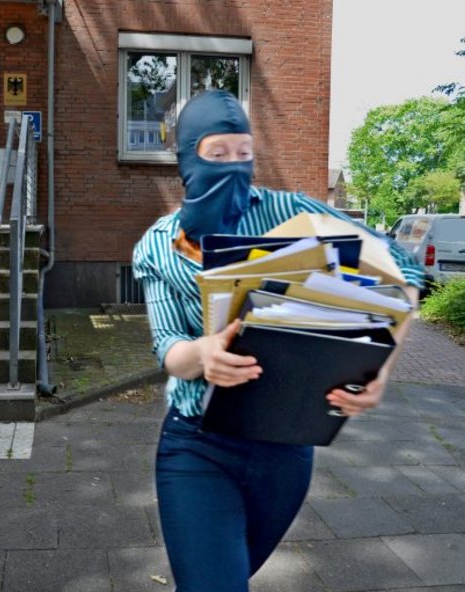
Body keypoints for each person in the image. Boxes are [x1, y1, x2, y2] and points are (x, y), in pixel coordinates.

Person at [132, 90, 424, 591]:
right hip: (197, 443)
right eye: (217, 153)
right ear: (185, 159)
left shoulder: (291, 212)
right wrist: (203, 353)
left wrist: (380, 369)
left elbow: (405, 272)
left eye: (244, 153)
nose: (233, 165)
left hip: (285, 445)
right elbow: (169, 347)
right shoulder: (157, 245)